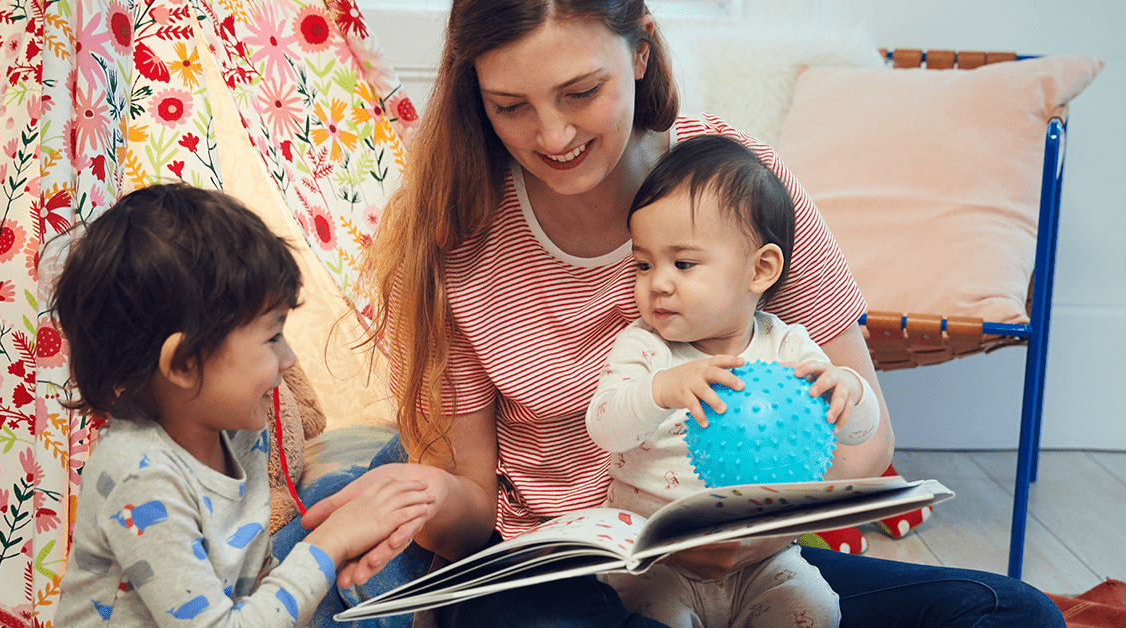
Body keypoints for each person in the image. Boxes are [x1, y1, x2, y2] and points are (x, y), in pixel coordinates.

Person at [301, 1, 1067, 626]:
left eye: (579, 92)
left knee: (1014, 616)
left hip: (752, 562)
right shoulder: (452, 233)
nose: (553, 135)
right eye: (511, 107)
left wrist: (753, 529)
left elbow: (867, 440)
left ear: (640, 52)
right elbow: (469, 505)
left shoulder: (738, 185)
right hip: (559, 575)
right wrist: (428, 496)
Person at [52, 184, 435, 627]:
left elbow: (255, 582)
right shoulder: (139, 477)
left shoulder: (240, 433)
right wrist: (331, 543)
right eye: (272, 336)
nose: (289, 359)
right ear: (185, 362)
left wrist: (343, 540)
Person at [586, 134, 880, 627]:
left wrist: (850, 393)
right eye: (643, 263)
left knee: (816, 608)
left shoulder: (788, 347)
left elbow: (859, 434)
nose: (657, 282)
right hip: (654, 563)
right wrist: (662, 390)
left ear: (760, 269)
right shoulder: (645, 348)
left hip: (762, 557)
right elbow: (605, 428)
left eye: (683, 263)